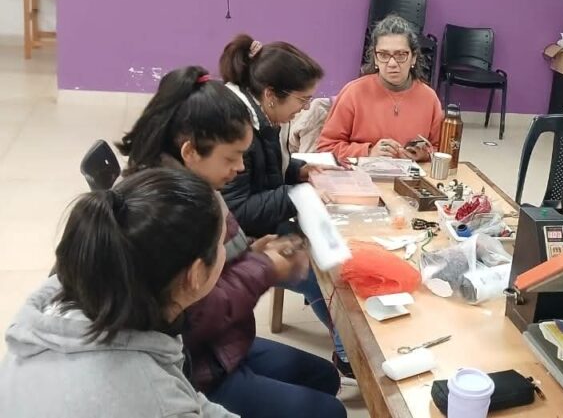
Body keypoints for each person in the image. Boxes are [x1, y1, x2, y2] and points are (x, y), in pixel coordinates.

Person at [117, 66, 349, 417]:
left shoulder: (197, 188)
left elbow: (213, 273)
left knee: (324, 377)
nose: (241, 167)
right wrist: (263, 268)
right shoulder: (164, 215)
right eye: (231, 157)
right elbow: (191, 319)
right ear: (190, 151)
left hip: (220, 344)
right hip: (193, 367)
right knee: (329, 412)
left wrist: (253, 253)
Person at [0, 169, 237, 418]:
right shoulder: (153, 402)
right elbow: (160, 402)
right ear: (196, 274)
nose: (225, 250)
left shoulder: (74, 291)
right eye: (221, 244)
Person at [218, 34, 353, 374]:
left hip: (258, 220)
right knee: (317, 267)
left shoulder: (263, 116)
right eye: (302, 100)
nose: (305, 109)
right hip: (237, 237)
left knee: (328, 249)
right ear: (270, 94)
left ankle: (347, 346)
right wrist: (299, 195)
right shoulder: (238, 128)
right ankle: (349, 357)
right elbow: (239, 212)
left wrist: (300, 170)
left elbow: (270, 167)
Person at [317, 14, 443, 162]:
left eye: (401, 55)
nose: (392, 63)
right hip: (361, 173)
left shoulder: (429, 98)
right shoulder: (353, 93)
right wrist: (368, 152)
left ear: (413, 58)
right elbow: (326, 147)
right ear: (375, 59)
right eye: (383, 55)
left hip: (411, 174)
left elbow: (440, 149)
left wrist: (425, 155)